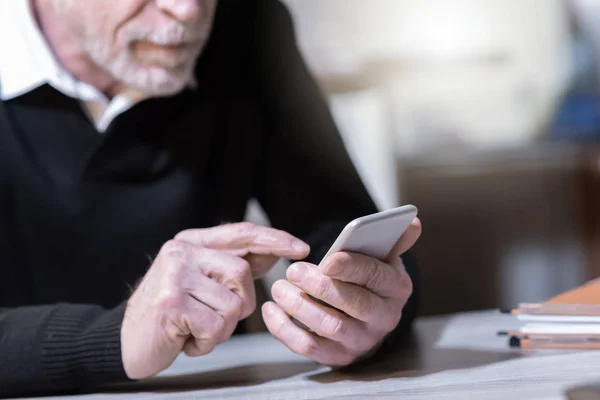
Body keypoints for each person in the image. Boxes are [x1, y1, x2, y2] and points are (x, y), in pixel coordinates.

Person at [0, 0, 422, 397]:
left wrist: (358, 318)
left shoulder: (244, 24)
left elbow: (339, 229)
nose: (187, 11)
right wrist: (113, 337)